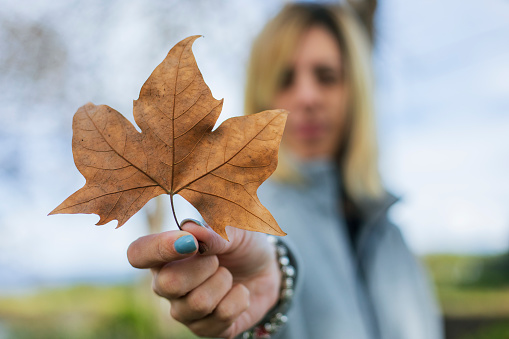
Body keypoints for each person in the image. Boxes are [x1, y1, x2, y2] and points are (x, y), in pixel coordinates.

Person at [127, 3, 444, 339]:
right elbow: (262, 268)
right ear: (261, 93)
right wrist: (274, 294)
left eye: (327, 76)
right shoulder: (246, 222)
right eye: (285, 78)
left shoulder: (388, 233)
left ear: (356, 92)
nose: (307, 97)